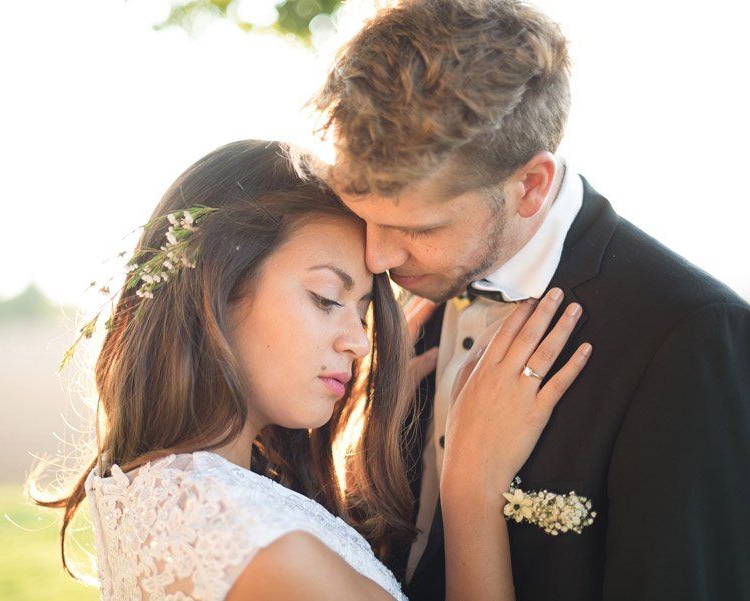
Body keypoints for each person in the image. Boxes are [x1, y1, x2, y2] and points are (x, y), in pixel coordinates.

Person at [310, 1, 750, 600]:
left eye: (421, 229)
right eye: (363, 216)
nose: (378, 256)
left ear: (530, 185)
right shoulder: (379, 297)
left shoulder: (687, 335)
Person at [30, 139, 590, 600]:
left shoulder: (154, 493)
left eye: (366, 311)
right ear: (218, 288)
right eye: (326, 297)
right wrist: (473, 487)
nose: (360, 344)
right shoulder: (255, 544)